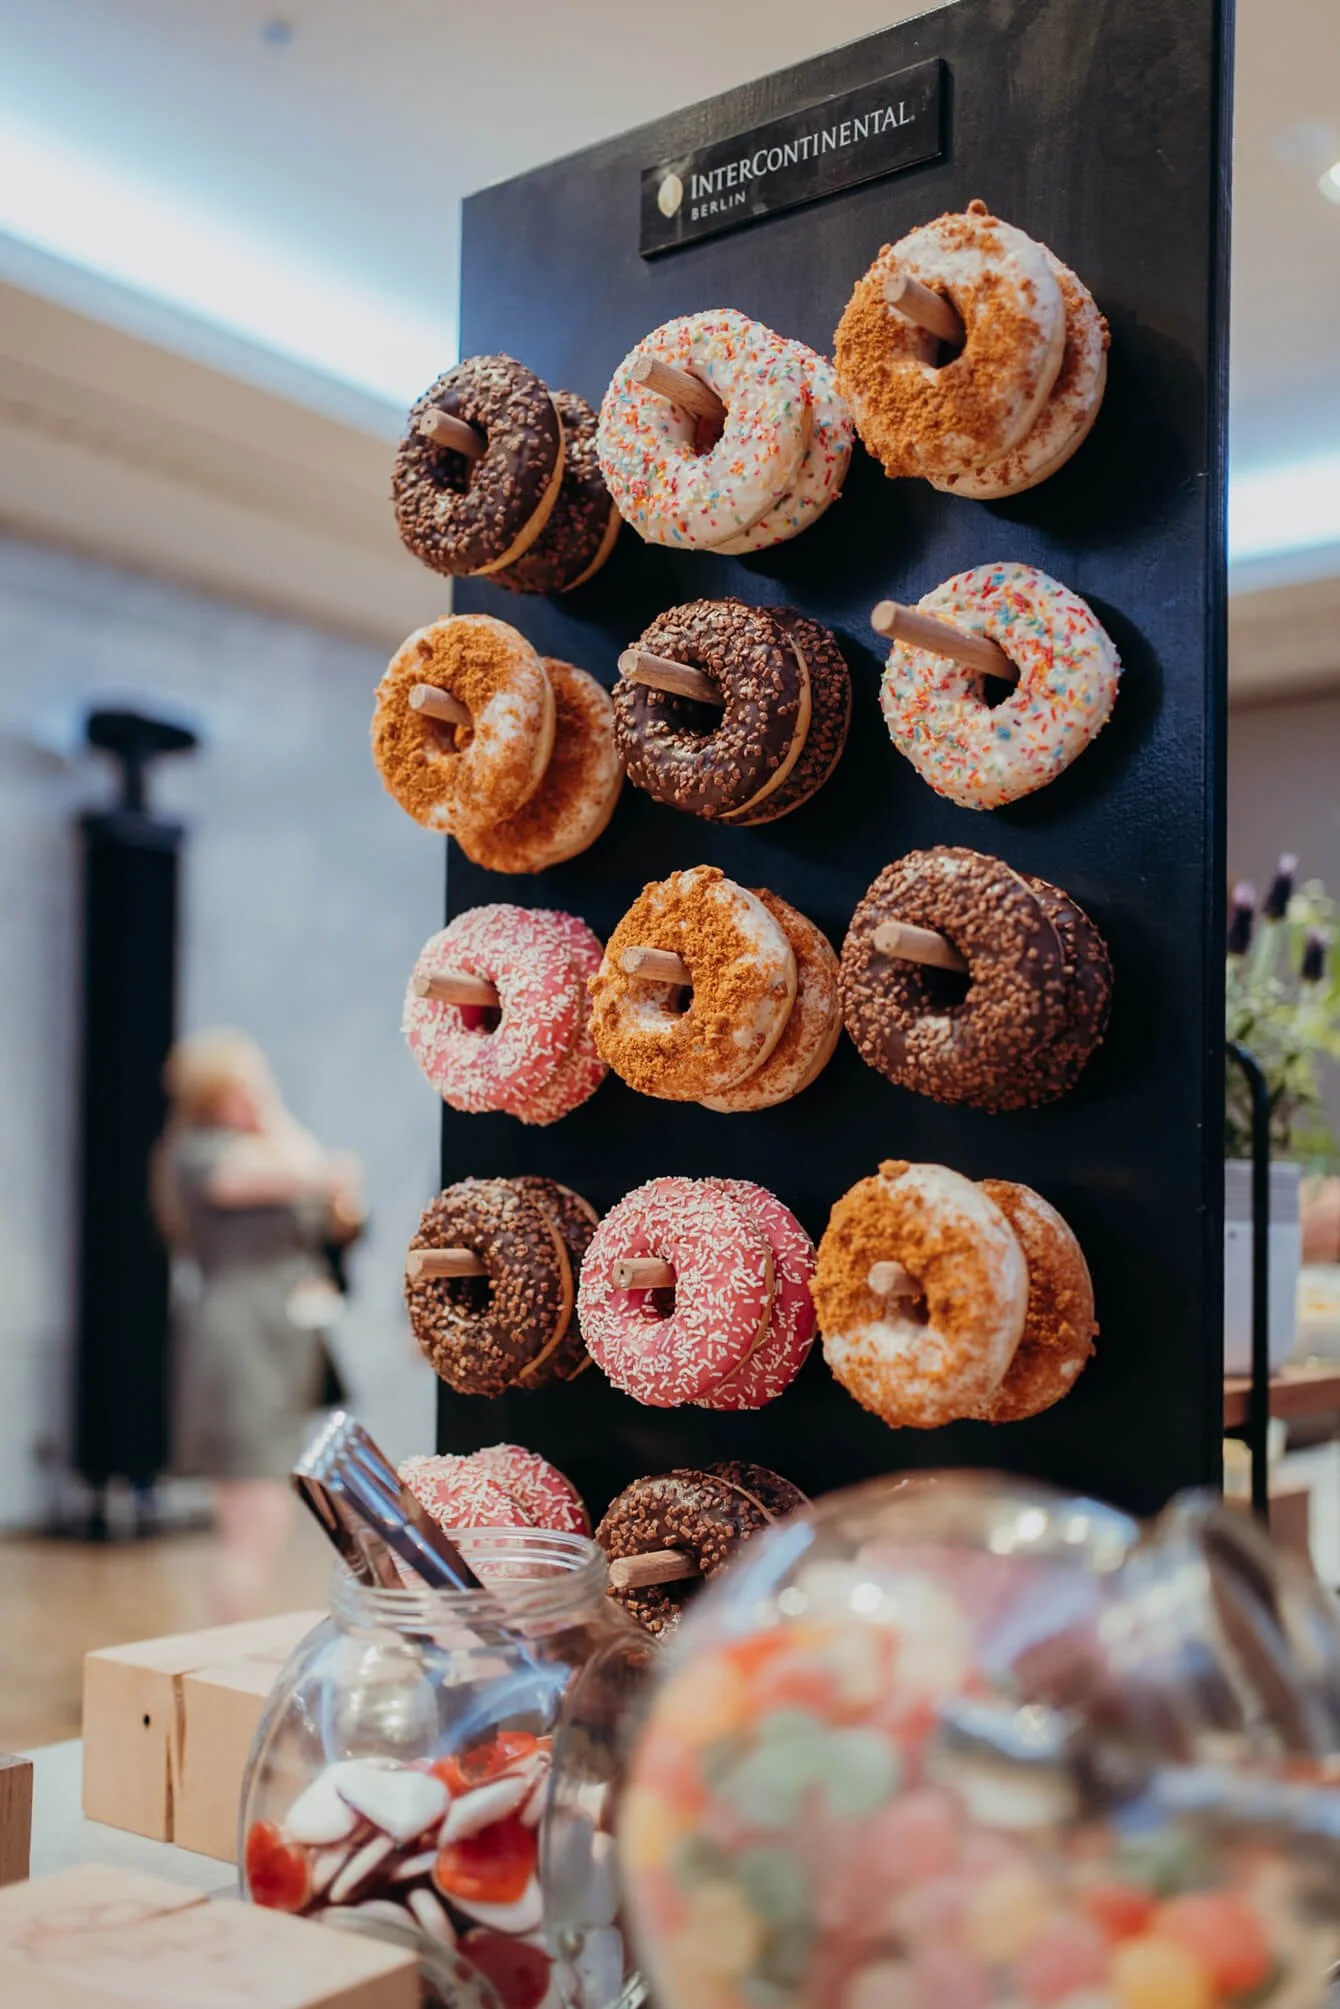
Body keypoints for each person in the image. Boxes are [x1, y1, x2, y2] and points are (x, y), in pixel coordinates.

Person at [151, 1030, 365, 1619]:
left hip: (282, 1346)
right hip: (237, 1345)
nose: (260, 1093)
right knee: (253, 1514)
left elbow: (341, 1213)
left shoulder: (263, 1152)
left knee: (267, 1515)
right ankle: (226, 1651)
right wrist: (276, 1119)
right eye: (248, 1083)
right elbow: (314, 1172)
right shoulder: (200, 1153)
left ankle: (232, 1646)